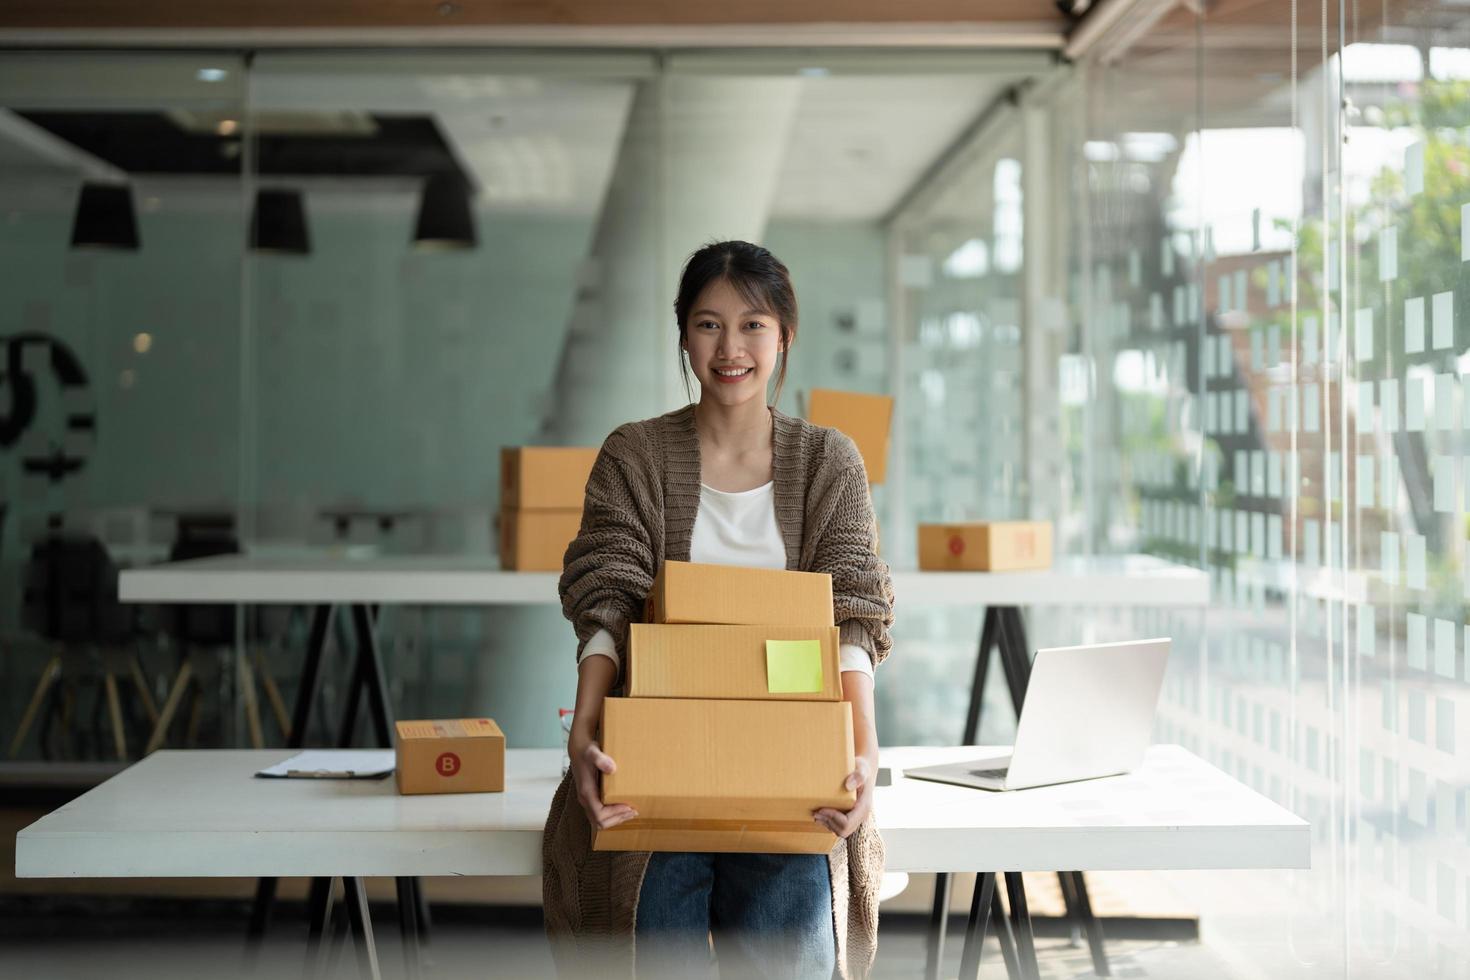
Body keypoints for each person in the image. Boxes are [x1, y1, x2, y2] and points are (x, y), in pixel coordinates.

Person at [542, 239, 895, 979]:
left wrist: (861, 751)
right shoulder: (633, 455)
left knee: (790, 939)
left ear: (785, 337)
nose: (730, 348)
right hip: (656, 763)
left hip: (791, 773)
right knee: (645, 939)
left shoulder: (830, 460)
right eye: (708, 324)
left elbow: (853, 619)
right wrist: (585, 736)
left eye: (753, 325)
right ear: (682, 336)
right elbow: (605, 602)